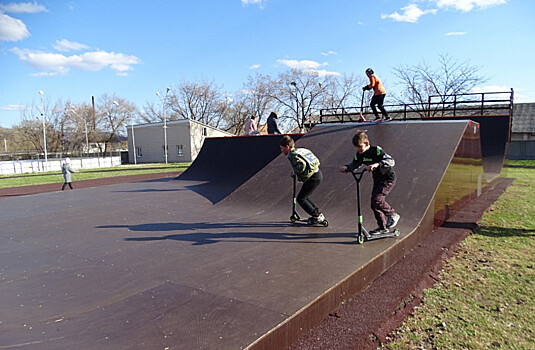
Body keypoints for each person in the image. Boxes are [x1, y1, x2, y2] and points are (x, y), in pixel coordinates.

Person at [339, 130, 400, 234]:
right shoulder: (359, 154)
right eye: (356, 147)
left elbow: (391, 161)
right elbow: (355, 164)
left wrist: (377, 164)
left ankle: (392, 214)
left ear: (366, 144)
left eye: (359, 146)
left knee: (377, 199)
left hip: (387, 179)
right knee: (374, 204)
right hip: (377, 179)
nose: (358, 149)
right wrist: (347, 167)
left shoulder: (376, 150)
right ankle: (382, 227)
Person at [280, 135, 325, 225]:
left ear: (287, 147)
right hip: (317, 174)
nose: (281, 151)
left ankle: (317, 215)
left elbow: (301, 165)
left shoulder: (292, 154)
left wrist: (295, 172)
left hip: (313, 178)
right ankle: (317, 214)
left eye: (282, 148)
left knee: (301, 199)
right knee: (305, 197)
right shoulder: (299, 150)